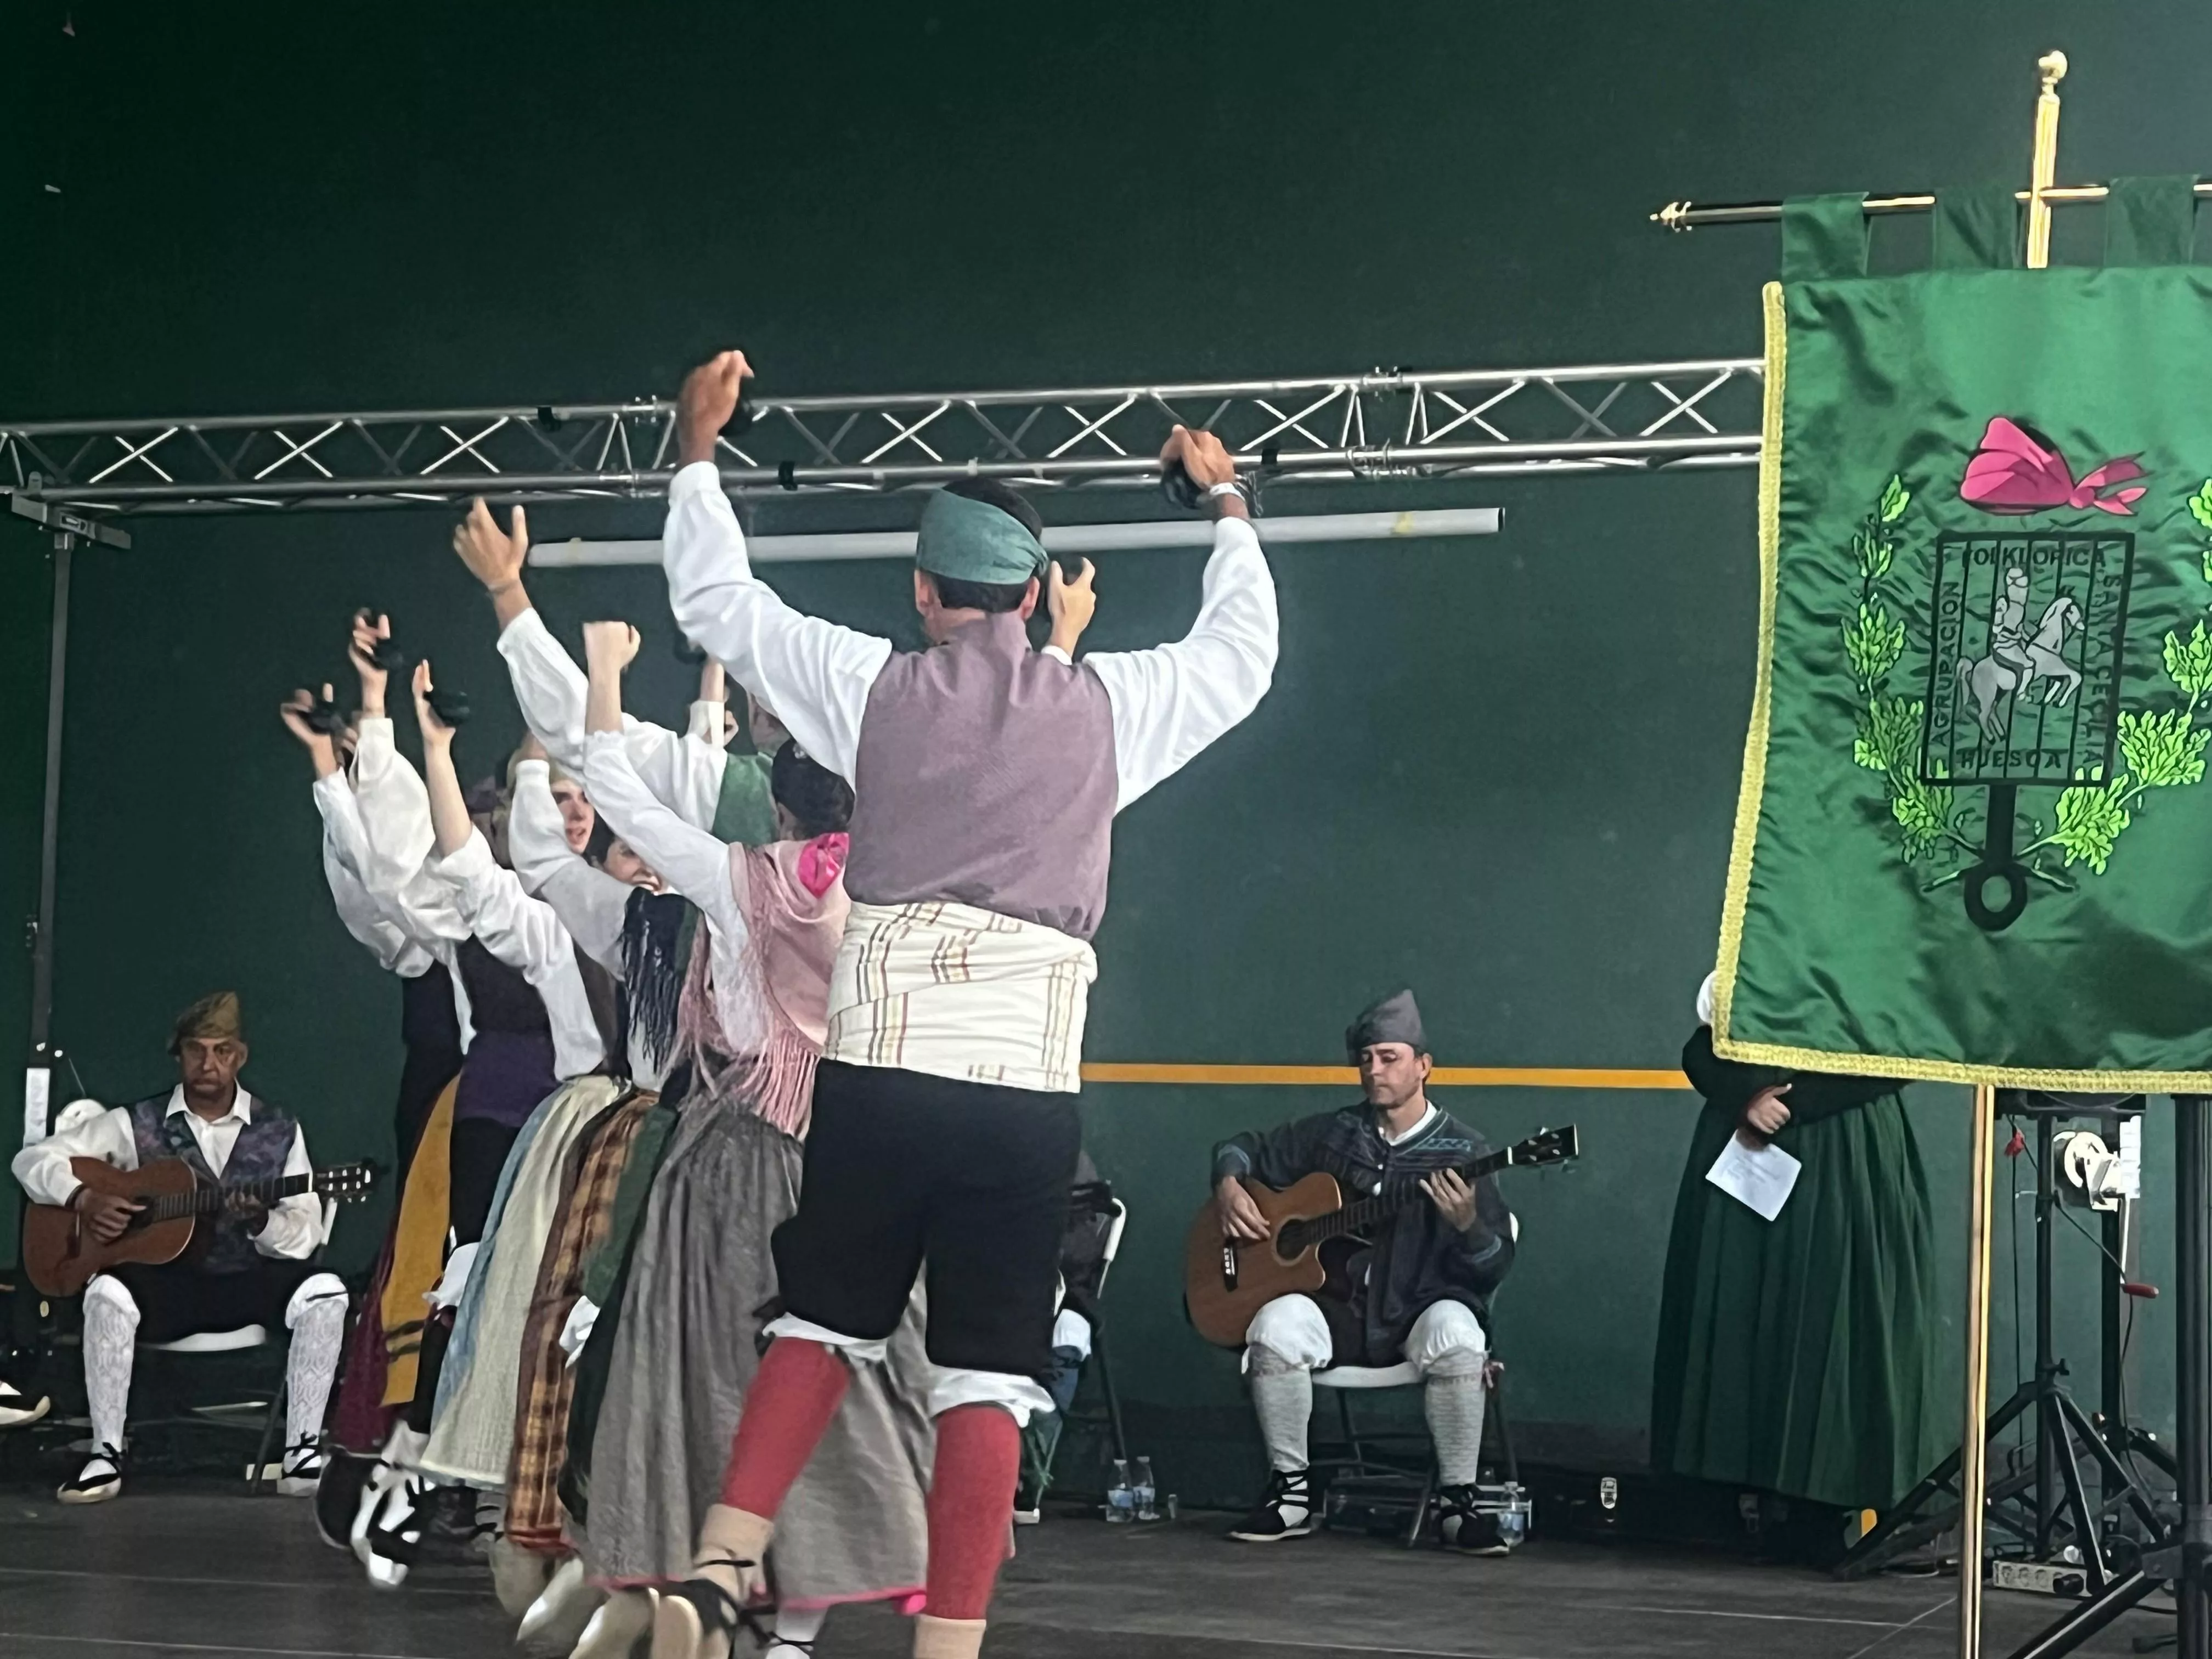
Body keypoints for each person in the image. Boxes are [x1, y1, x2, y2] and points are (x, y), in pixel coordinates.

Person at [662, 347, 1278, 1659]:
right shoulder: (1110, 709)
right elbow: (1244, 657)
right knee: (988, 1376)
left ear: (926, 594)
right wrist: (1224, 509)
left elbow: (718, 601)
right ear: (1038, 592)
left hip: (881, 1069)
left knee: (823, 1319)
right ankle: (951, 1644)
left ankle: (722, 1563)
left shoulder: (869, 685)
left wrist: (700, 453)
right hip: (1023, 1092)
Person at [578, 619, 933, 1659]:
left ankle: (721, 1587)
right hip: (864, 1150)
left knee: (716, 1380)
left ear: (778, 802)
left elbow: (618, 792)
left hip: (745, 1155)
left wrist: (605, 672)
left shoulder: (740, 877)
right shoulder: (898, 880)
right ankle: (798, 1625)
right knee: (853, 1377)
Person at [9, 992, 348, 1503]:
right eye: (197, 1050)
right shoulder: (134, 1122)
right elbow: (32, 1160)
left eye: (222, 1051)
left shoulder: (280, 1130)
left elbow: (302, 1237)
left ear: (241, 1056)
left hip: (245, 1282)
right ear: (179, 1055)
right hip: (164, 1288)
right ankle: (105, 1454)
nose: (209, 1064)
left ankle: (301, 1453)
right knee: (105, 1291)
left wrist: (260, 1220)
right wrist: (84, 1198)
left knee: (326, 1291)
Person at [1210, 990, 1514, 1549]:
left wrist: (1469, 1222)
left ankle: (1457, 1503)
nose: (1375, 1070)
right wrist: (1229, 1184)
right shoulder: (1333, 1134)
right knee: (1274, 1326)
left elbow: (1492, 1267)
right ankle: (1291, 1493)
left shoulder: (1463, 1149)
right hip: (1340, 1313)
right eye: (1366, 1059)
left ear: (1424, 1065)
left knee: (1459, 1331)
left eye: (1390, 1058)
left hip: (1414, 1312)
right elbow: (1244, 1147)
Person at [1648, 974, 1942, 1515]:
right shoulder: (1758, 942)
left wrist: (1792, 1103)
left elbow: (1904, 1051)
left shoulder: (1879, 953)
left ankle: (1826, 1502)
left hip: (1846, 1152)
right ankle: (1735, 1495)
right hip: (1750, 1145)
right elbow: (1702, 1045)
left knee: (1832, 1315)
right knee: (1740, 1305)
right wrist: (1745, 1097)